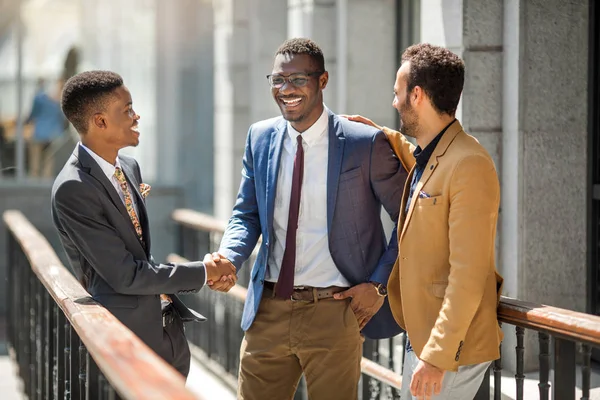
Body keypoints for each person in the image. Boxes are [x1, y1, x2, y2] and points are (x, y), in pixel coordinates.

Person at [204, 38, 407, 400]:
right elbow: (246, 214)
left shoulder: (364, 143)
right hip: (268, 310)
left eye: (298, 79)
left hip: (335, 312)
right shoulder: (260, 138)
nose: (286, 90)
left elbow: (409, 220)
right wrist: (229, 258)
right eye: (277, 80)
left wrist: (378, 286)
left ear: (323, 80)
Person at [51, 70, 236, 377]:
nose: (136, 117)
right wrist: (204, 272)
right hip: (125, 341)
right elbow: (125, 275)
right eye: (127, 110)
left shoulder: (128, 166)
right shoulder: (74, 187)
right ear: (100, 122)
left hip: (167, 333)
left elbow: (139, 250)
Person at [345, 43, 503, 400]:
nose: (394, 102)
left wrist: (436, 356)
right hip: (422, 337)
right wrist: (381, 134)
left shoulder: (469, 164)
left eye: (397, 93)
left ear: (417, 95)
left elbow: (469, 273)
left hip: (449, 351)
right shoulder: (432, 154)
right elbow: (417, 156)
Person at [26, 78, 65, 178]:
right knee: (49, 160)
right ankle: (46, 180)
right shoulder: (59, 101)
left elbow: (33, 114)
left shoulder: (38, 98)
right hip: (54, 134)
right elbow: (63, 117)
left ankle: (34, 179)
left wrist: (26, 122)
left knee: (35, 158)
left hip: (39, 132)